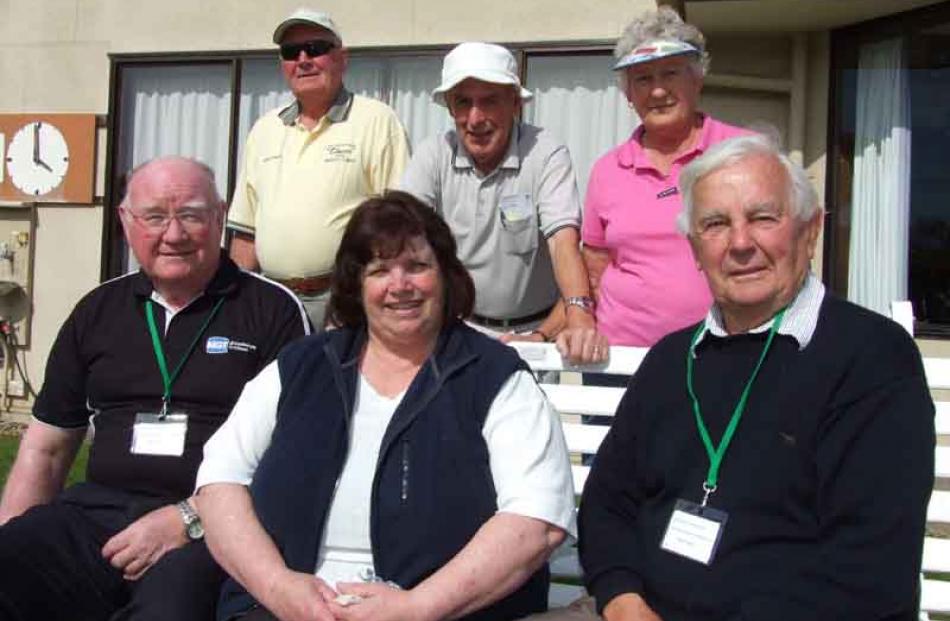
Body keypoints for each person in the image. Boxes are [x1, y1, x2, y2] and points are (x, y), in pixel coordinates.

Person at [533, 134, 934, 621]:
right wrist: (622, 599)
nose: (741, 243)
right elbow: (607, 504)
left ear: (809, 232)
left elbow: (870, 565)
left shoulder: (872, 358)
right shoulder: (671, 360)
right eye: (716, 224)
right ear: (695, 250)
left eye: (763, 218)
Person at [197, 190, 576, 621]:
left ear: (446, 275)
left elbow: (537, 519)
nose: (401, 286)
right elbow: (218, 483)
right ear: (357, 286)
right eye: (380, 270)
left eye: (417, 266)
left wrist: (418, 607)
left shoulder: (493, 377)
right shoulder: (301, 367)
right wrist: (278, 588)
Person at [0, 157, 311, 621]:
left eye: (190, 214)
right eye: (154, 217)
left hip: (211, 523)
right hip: (96, 512)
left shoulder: (271, 311)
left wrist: (188, 518)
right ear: (126, 222)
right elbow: (45, 449)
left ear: (220, 217)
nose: (173, 234)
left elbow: (292, 456)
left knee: (170, 610)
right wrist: (11, 535)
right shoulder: (97, 310)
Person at [400, 42, 606, 363]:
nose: (475, 118)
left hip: (539, 331)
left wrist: (579, 316)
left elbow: (563, 242)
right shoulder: (433, 155)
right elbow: (402, 236)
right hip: (458, 328)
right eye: (463, 103)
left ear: (514, 103)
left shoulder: (545, 153)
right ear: (450, 108)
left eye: (489, 101)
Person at [228, 7, 411, 330]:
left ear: (342, 58)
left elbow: (399, 222)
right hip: (273, 300)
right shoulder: (263, 130)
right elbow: (246, 232)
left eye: (315, 49)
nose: (303, 59)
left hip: (345, 299)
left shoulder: (377, 121)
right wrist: (233, 302)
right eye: (290, 52)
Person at [583, 7, 750, 350]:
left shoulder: (743, 154)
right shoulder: (607, 170)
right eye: (643, 79)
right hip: (623, 358)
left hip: (726, 351)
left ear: (697, 79)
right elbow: (595, 266)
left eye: (670, 73)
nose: (657, 91)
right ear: (628, 94)